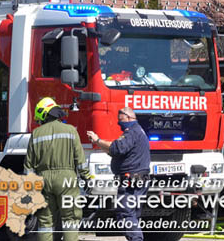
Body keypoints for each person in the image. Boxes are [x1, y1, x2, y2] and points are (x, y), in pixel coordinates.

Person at [24, 98, 91, 241]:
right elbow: (80, 161)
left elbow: (29, 166)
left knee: (45, 222)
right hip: (67, 180)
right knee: (70, 219)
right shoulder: (71, 131)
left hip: (43, 181)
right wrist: (87, 179)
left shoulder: (36, 134)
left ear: (44, 115)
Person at [87, 107, 150, 241]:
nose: (119, 123)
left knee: (125, 212)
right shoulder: (138, 131)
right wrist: (99, 144)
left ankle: (136, 239)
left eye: (120, 119)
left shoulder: (132, 132)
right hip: (138, 179)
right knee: (133, 214)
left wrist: (97, 140)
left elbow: (116, 147)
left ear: (128, 117)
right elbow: (115, 152)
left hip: (131, 181)